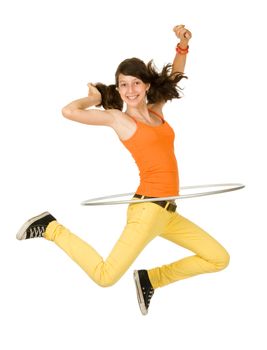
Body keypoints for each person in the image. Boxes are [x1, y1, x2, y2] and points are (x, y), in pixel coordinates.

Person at [16, 25, 230, 315]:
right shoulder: (119, 120)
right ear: (117, 89)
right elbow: (69, 111)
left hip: (167, 212)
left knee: (218, 258)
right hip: (146, 210)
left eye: (135, 83)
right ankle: (51, 228)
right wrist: (95, 99)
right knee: (105, 276)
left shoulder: (156, 111)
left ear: (146, 86)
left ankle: (151, 279)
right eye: (123, 85)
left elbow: (175, 75)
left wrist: (182, 44)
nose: (130, 90)